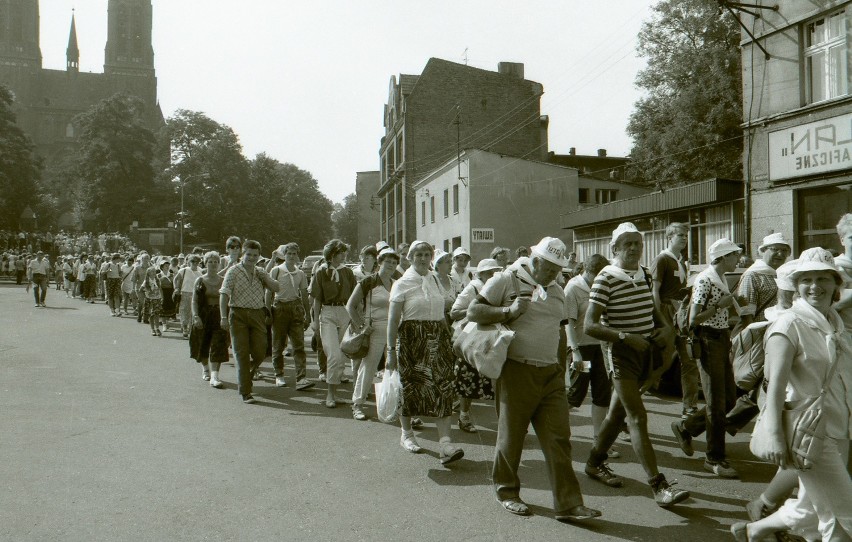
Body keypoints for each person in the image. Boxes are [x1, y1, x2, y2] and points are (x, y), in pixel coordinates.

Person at [467, 237, 601, 522]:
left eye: (558, 269)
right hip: (517, 370)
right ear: (535, 260)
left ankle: (568, 505)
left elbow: (560, 329)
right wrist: (508, 311)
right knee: (512, 437)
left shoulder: (557, 288)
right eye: (550, 267)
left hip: (550, 373)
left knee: (559, 438)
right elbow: (472, 312)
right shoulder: (507, 279)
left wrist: (563, 370)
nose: (554, 273)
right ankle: (507, 492)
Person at [731, 248, 852, 542]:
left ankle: (753, 531)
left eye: (823, 278)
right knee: (843, 518)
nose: (815, 286)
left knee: (810, 506)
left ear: (837, 284)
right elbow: (774, 385)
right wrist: (774, 434)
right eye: (807, 279)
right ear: (796, 286)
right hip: (810, 432)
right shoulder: (788, 325)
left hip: (840, 427)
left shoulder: (834, 322)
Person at [583, 222, 688, 508]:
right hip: (621, 355)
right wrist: (625, 337)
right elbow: (589, 325)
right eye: (626, 243)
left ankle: (593, 463)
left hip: (646, 353)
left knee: (616, 415)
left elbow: (652, 310)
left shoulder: (643, 272)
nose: (633, 248)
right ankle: (659, 485)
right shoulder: (605, 277)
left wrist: (665, 328)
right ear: (614, 248)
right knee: (637, 417)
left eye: (637, 243)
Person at [386, 240, 464, 464]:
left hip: (437, 339)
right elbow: (393, 321)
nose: (423, 258)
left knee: (443, 387)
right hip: (411, 340)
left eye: (427, 254)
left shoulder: (435, 281)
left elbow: (440, 315)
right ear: (409, 258)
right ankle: (407, 434)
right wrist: (391, 351)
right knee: (409, 388)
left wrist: (449, 339)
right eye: (418, 254)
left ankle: (445, 444)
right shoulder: (401, 284)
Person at [671, 239, 743, 478]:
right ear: (722, 257)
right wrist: (720, 307)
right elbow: (693, 319)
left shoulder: (719, 277)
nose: (738, 259)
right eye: (734, 255)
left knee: (730, 400)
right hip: (708, 340)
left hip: (721, 338)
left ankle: (686, 427)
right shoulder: (705, 280)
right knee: (716, 402)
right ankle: (714, 458)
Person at [220, 240, 283, 404]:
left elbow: (276, 288)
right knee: (241, 353)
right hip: (238, 314)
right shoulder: (233, 271)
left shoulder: (261, 272)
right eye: (249, 254)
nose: (252, 258)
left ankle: (249, 371)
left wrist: (265, 277)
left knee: (261, 351)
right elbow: (224, 294)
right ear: (243, 254)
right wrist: (223, 317)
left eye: (255, 255)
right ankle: (246, 391)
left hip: (257, 314)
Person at [564, 254, 613, 452]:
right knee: (576, 393)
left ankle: (599, 442)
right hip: (581, 349)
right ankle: (557, 432)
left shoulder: (602, 286)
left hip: (600, 347)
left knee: (602, 395)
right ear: (589, 272)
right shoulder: (573, 288)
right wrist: (574, 351)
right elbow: (568, 322)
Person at [345, 246, 399, 420]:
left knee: (396, 369)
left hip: (395, 331)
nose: (391, 265)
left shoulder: (397, 282)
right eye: (387, 261)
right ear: (379, 262)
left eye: (394, 262)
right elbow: (350, 306)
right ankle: (357, 404)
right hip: (375, 330)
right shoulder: (368, 282)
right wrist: (362, 326)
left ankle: (397, 406)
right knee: (368, 367)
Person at [650, 222, 697, 418]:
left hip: (681, 313)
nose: (685, 239)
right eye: (680, 235)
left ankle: (689, 406)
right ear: (669, 237)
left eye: (686, 236)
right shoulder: (662, 259)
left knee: (688, 360)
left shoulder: (681, 260)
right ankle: (630, 396)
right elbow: (654, 291)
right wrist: (659, 318)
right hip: (667, 312)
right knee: (661, 362)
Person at [449, 258, 501, 432]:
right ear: (481, 274)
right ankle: (463, 416)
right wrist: (475, 310)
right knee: (467, 377)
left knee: (494, 376)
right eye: (490, 273)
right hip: (470, 338)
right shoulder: (473, 287)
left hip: (489, 338)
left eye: (496, 272)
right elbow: (454, 312)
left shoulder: (497, 288)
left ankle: (504, 421)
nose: (494, 276)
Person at [310, 239, 356, 407]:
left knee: (342, 355)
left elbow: (354, 298)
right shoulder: (321, 272)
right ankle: (330, 395)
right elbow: (316, 299)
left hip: (345, 312)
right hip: (327, 312)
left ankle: (336, 394)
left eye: (344, 252)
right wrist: (315, 321)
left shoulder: (348, 272)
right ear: (331, 255)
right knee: (333, 355)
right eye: (340, 253)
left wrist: (356, 319)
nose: (344, 255)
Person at [267, 243, 314, 391]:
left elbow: (304, 295)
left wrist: (307, 314)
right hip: (280, 307)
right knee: (278, 344)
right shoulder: (276, 271)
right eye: (289, 254)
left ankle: (301, 378)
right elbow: (268, 293)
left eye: (294, 254)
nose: (292, 256)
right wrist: (267, 312)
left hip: (295, 308)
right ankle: (279, 374)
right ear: (284, 255)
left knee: (298, 345)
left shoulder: (300, 273)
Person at [190, 251, 228, 388]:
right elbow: (194, 300)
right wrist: (195, 316)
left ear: (219, 264)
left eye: (215, 262)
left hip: (219, 315)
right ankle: (205, 369)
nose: (213, 264)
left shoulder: (224, 280)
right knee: (202, 343)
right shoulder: (199, 280)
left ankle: (215, 376)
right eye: (210, 262)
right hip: (203, 315)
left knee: (218, 344)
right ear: (205, 264)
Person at [174, 255, 203, 338]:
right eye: (193, 261)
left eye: (197, 262)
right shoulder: (184, 270)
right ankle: (184, 328)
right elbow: (176, 279)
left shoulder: (200, 272)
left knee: (193, 312)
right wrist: (176, 288)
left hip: (195, 294)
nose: (194, 263)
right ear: (189, 262)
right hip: (185, 293)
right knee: (184, 311)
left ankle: (191, 329)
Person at [141, 265, 164, 337]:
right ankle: (152, 329)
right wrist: (147, 291)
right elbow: (141, 289)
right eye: (152, 271)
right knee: (151, 314)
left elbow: (160, 289)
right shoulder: (146, 281)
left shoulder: (157, 280)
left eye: (155, 271)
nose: (154, 273)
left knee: (157, 314)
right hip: (150, 300)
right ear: (149, 273)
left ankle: (157, 328)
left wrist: (162, 297)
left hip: (157, 299)